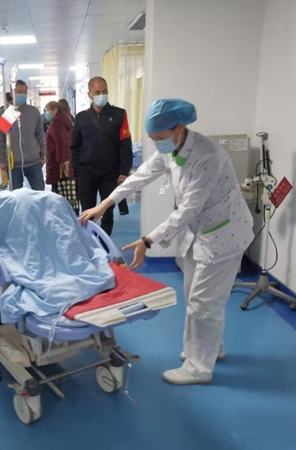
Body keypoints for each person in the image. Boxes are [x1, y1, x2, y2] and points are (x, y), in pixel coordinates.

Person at [80, 99, 254, 385]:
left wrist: (147, 241)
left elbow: (188, 210)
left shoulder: (207, 157)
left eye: (159, 137)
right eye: (152, 138)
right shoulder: (171, 148)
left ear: (179, 128)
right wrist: (105, 203)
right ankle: (210, 348)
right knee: (197, 296)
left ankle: (199, 368)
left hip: (223, 235)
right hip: (198, 233)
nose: (156, 143)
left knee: (203, 302)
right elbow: (140, 177)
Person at [71, 76, 132, 235]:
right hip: (87, 173)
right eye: (97, 92)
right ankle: (89, 242)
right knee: (87, 212)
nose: (102, 95)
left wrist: (124, 171)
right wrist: (78, 169)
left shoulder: (119, 114)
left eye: (104, 91)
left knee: (107, 212)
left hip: (110, 174)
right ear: (89, 94)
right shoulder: (81, 117)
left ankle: (105, 244)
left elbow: (126, 145)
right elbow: (75, 146)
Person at [0, 80, 46, 191]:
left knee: (40, 193)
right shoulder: (7, 113)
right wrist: (2, 160)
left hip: (34, 162)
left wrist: (43, 155)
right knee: (16, 196)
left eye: (24, 92)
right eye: (19, 91)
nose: (22, 94)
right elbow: (0, 139)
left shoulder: (33, 112)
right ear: (11, 93)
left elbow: (40, 135)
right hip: (14, 165)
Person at [44, 101, 74, 193]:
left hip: (57, 163)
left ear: (55, 110)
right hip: (68, 159)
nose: (46, 113)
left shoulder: (55, 124)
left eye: (48, 110)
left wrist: (61, 161)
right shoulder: (66, 120)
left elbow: (60, 142)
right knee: (65, 189)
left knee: (57, 190)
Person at [0, 93, 13, 190]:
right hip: (11, 152)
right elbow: (0, 136)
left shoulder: (5, 111)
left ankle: (5, 182)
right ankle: (5, 182)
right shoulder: (9, 112)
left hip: (9, 152)